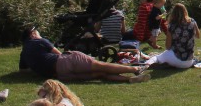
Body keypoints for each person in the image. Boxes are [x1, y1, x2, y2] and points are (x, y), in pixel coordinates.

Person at [19, 26, 149, 83]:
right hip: (65, 62)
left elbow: (24, 71)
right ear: (32, 35)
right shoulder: (40, 41)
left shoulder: (24, 52)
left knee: (100, 74)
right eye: (36, 32)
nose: (38, 33)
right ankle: (136, 69)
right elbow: (59, 54)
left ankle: (128, 79)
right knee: (102, 65)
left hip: (60, 75)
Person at [152, 4, 199, 69]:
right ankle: (168, 64)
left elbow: (168, 47)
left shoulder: (172, 25)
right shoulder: (192, 21)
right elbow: (198, 36)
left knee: (156, 57)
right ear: (185, 11)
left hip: (176, 57)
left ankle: (145, 65)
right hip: (189, 61)